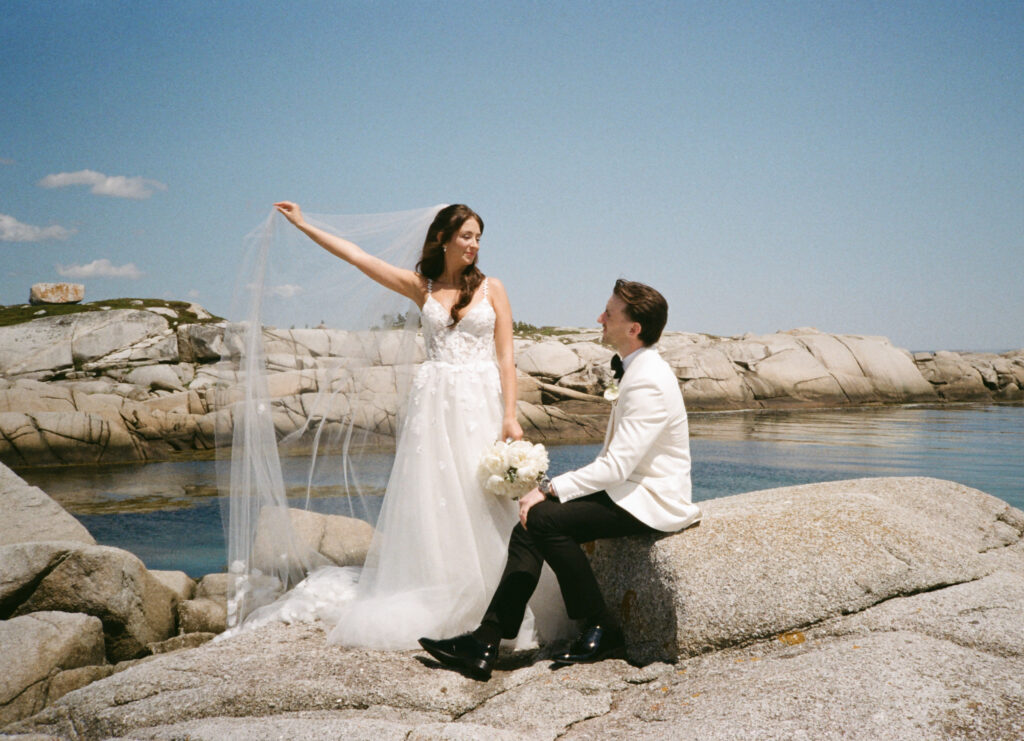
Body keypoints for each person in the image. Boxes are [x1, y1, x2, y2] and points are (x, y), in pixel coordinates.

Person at [264, 201, 564, 648]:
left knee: (490, 495)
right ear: (443, 239)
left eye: (479, 237)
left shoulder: (493, 288)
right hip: (436, 405)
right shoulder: (419, 287)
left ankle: (504, 606)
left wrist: (509, 413)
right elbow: (358, 258)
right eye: (466, 236)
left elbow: (506, 357)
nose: (474, 245)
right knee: (440, 497)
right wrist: (306, 225)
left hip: (481, 401)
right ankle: (449, 598)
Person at [418, 279, 701, 680]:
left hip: (651, 498)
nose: (599, 318)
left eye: (609, 313)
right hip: (629, 489)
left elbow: (617, 467)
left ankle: (599, 625)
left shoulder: (650, 378)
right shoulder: (638, 368)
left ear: (633, 327)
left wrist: (549, 487)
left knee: (544, 517)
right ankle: (486, 639)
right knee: (533, 521)